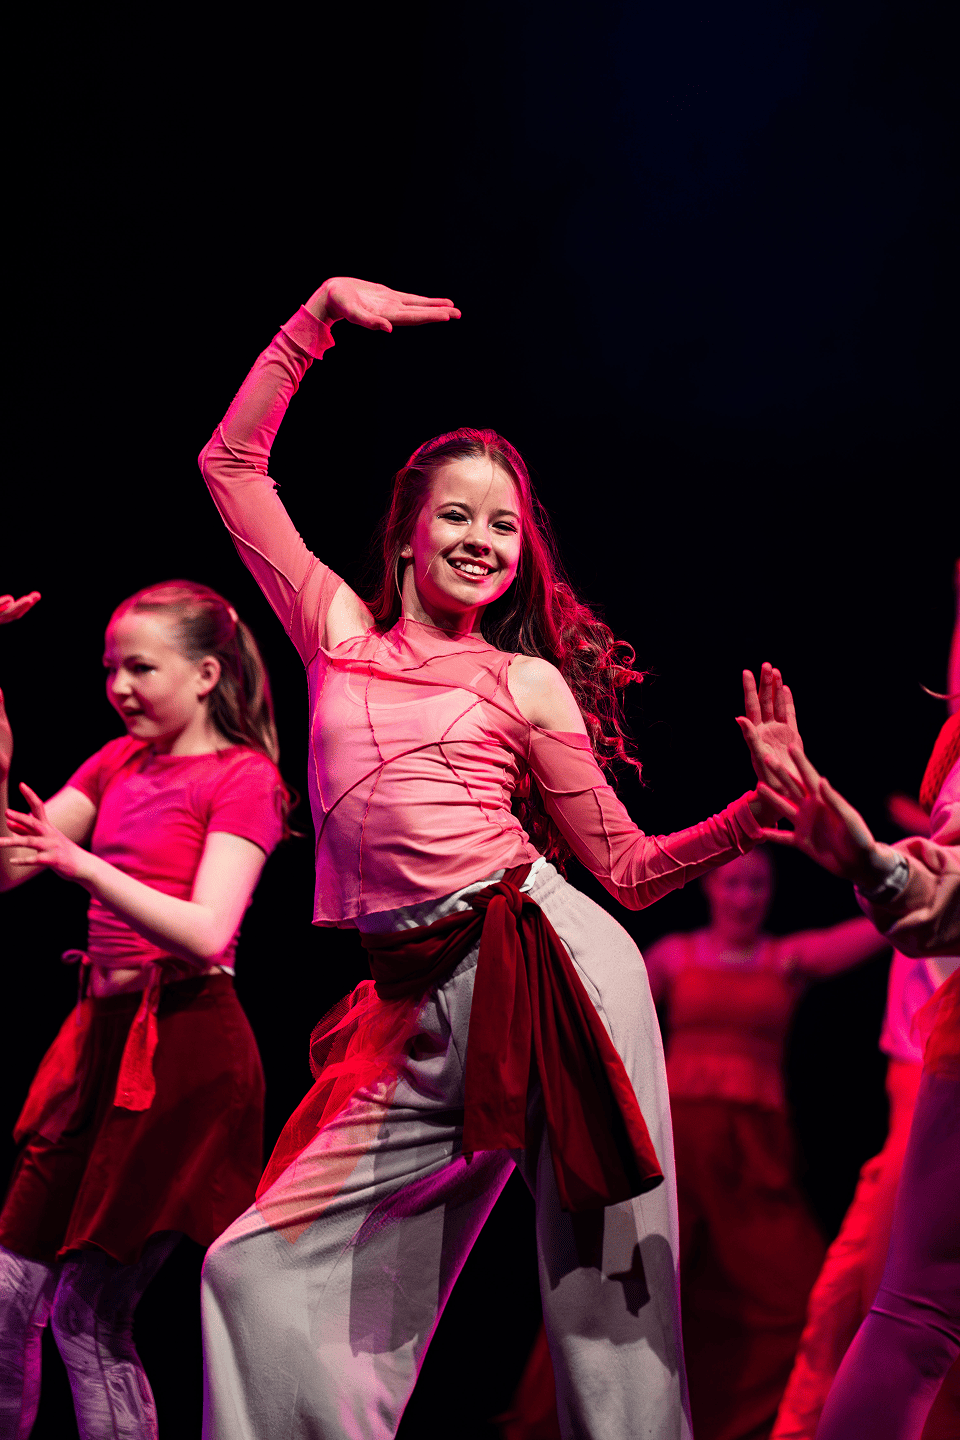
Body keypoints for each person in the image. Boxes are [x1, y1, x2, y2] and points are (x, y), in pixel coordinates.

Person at [196, 275, 806, 1440]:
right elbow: (231, 466)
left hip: (553, 966)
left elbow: (621, 870)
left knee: (610, 1315)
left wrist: (747, 817)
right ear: (407, 529)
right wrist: (315, 318)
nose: (483, 541)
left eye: (507, 525)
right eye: (459, 516)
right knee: (255, 1271)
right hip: (418, 1001)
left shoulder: (520, 682)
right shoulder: (336, 632)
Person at [0, 581, 288, 1440]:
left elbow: (208, 930)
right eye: (110, 669)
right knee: (9, 1298)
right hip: (99, 1041)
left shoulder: (245, 778)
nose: (120, 686)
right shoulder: (116, 760)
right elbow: (10, 867)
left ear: (206, 675)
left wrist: (80, 867)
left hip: (185, 1053)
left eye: (140, 668)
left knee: (91, 1319)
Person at [501, 849, 889, 1440]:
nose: (744, 896)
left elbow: (881, 927)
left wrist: (919, 876)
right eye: (733, 883)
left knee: (803, 1300)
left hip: (757, 1161)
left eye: (757, 885)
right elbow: (602, 1014)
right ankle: (559, 1419)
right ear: (710, 888)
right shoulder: (675, 958)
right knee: (628, 1282)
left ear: (770, 892)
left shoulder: (786, 961)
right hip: (678, 1148)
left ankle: (723, 1422)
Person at [758, 738, 959, 1438]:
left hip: (929, 1074)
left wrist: (882, 867)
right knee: (874, 1303)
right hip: (921, 1073)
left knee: (896, 1310)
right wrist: (882, 869)